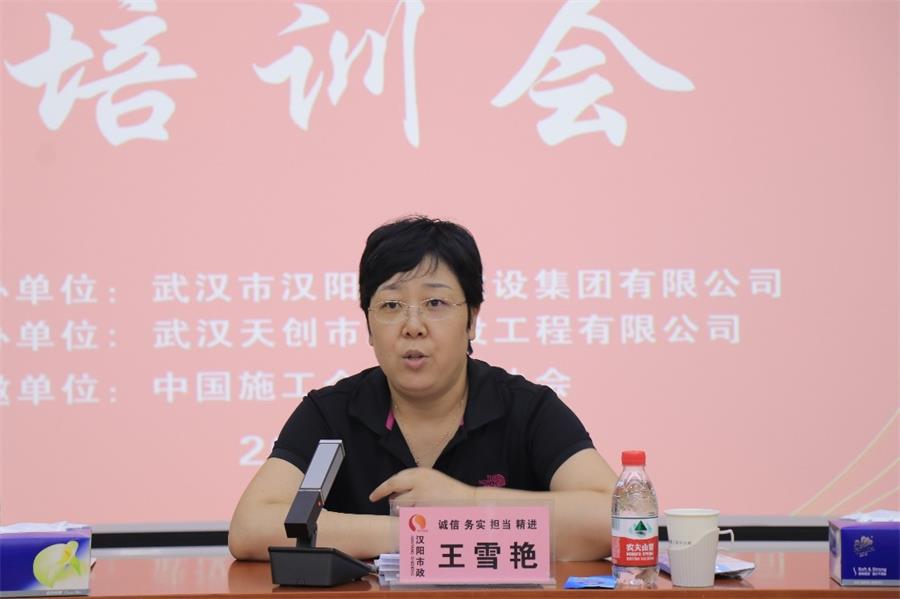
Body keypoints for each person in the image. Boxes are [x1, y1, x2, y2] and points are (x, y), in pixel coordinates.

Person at [228, 216, 618, 561]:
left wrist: (469, 504)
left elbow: (617, 517)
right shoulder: (330, 413)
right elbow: (251, 527)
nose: (413, 326)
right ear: (368, 325)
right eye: (391, 306)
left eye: (435, 303)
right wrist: (415, 533)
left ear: (472, 319)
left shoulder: (527, 408)